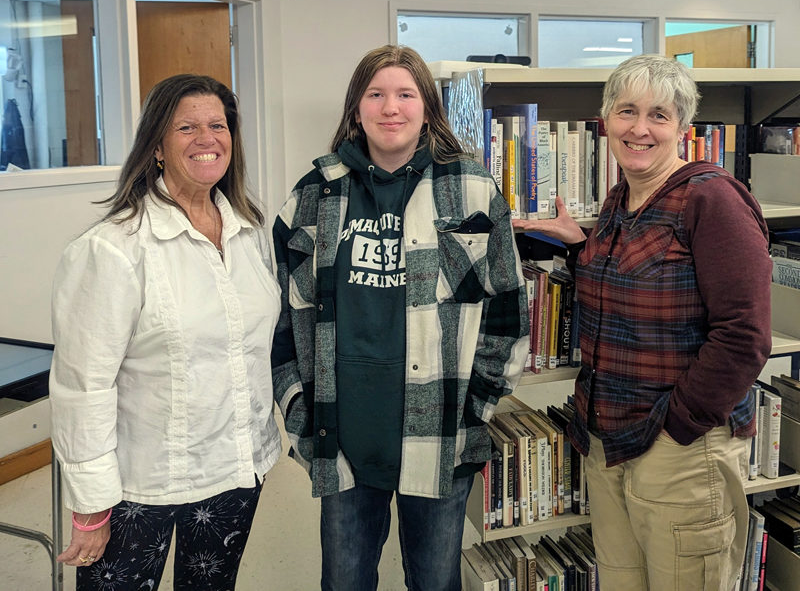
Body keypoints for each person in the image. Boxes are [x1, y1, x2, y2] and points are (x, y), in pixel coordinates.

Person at [271, 44, 529, 591]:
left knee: (435, 583)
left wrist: (476, 406)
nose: (392, 107)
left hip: (440, 439)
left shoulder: (473, 188)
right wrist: (297, 407)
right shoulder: (313, 194)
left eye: (406, 94)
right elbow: (280, 318)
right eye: (377, 94)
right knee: (345, 582)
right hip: (341, 437)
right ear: (356, 107)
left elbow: (507, 309)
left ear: (427, 107)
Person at [516, 54, 772, 590]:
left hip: (677, 449)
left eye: (659, 115)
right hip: (609, 442)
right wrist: (580, 247)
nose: (639, 128)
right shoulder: (619, 200)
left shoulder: (712, 198)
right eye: (626, 111)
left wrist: (677, 427)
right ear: (605, 120)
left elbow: (745, 336)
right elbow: (634, 290)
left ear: (683, 127)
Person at [49, 74, 283, 590]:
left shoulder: (248, 231)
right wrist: (90, 505)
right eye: (187, 127)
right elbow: (82, 385)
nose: (207, 138)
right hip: (143, 483)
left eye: (218, 126)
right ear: (156, 145)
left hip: (235, 467)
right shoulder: (113, 248)